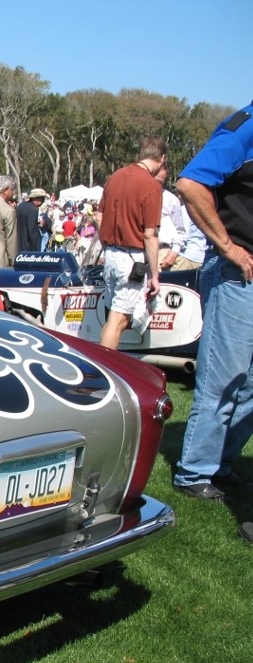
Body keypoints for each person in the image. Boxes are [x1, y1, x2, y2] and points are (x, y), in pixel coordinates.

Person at [172, 102, 253, 510]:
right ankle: (195, 470)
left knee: (251, 385)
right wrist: (230, 248)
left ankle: (220, 462)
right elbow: (190, 184)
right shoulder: (245, 128)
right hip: (239, 276)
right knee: (223, 380)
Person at [95, 136, 166, 349]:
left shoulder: (115, 176)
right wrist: (154, 275)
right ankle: (104, 369)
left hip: (111, 254)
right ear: (162, 159)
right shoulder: (151, 185)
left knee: (113, 317)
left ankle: (103, 361)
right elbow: (150, 235)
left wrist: (107, 246)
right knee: (119, 319)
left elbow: (99, 216)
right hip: (131, 258)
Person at [154, 164, 186, 270]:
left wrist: (174, 253)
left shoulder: (171, 200)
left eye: (161, 182)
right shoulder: (136, 196)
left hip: (161, 253)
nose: (158, 185)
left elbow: (180, 231)